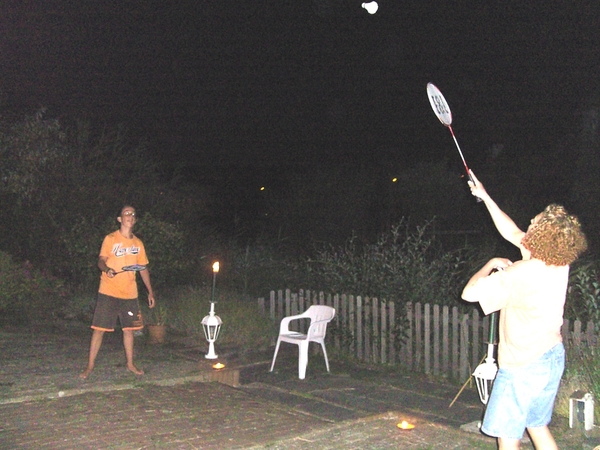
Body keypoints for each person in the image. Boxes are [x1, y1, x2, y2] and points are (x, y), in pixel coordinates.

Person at [461, 171, 588, 450]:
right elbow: (512, 232)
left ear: (541, 236)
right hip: (551, 357)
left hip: (522, 367)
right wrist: (485, 196)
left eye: (535, 223)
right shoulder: (558, 262)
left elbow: (468, 293)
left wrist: (492, 263)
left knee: (508, 438)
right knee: (536, 425)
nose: (529, 222)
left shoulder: (518, 273)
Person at [80, 205, 156, 379]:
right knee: (99, 329)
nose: (130, 216)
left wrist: (150, 292)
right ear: (120, 219)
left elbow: (143, 268)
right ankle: (90, 366)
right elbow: (100, 260)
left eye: (133, 214)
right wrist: (106, 269)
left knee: (129, 330)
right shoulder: (111, 239)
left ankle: (130, 364)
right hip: (109, 291)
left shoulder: (138, 244)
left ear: (134, 220)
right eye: (126, 213)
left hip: (130, 293)